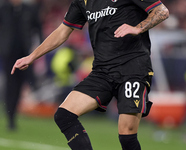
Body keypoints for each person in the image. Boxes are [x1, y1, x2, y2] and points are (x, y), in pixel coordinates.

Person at [11, 0, 169, 149]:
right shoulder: (82, 1)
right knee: (64, 115)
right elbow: (62, 31)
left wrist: (138, 28)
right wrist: (31, 57)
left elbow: (161, 11)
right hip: (102, 72)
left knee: (127, 134)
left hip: (132, 69)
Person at [0, 0, 43, 130]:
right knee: (11, 84)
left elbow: (38, 28)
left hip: (25, 54)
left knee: (22, 84)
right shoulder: (4, 8)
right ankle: (10, 117)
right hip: (8, 54)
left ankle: (16, 112)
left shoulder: (29, 9)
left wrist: (39, 47)